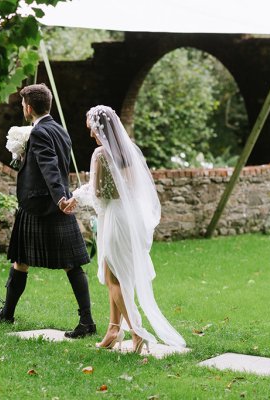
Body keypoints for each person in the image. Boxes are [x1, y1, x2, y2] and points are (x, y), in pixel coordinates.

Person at [68, 105, 187, 353]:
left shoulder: (100, 154)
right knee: (118, 274)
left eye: (91, 128)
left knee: (114, 279)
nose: (90, 134)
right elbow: (129, 190)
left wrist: (77, 198)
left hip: (113, 217)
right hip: (129, 216)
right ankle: (113, 329)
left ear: (100, 128)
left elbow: (100, 194)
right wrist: (81, 195)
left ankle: (136, 330)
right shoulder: (126, 152)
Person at [0, 84, 96, 339]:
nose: (23, 108)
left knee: (29, 261)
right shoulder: (59, 130)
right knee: (63, 263)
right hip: (50, 204)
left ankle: (8, 314)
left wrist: (60, 199)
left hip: (40, 206)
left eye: (23, 105)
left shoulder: (41, 133)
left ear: (29, 107)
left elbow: (50, 168)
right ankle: (85, 321)